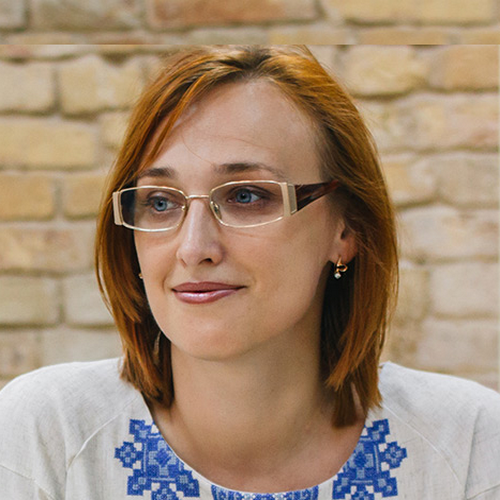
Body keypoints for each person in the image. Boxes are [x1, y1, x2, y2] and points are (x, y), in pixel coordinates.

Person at [0, 45, 499, 500]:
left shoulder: (469, 447)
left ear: (345, 229)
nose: (193, 248)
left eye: (246, 196)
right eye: (160, 202)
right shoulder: (47, 437)